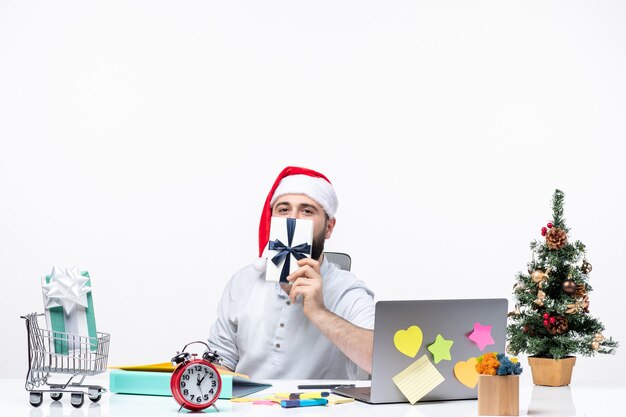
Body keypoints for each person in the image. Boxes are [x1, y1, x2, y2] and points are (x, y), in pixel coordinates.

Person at [207, 166, 375, 379]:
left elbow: (380, 364)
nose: (292, 219)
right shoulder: (243, 282)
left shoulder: (348, 290)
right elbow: (220, 362)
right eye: (284, 210)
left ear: (329, 227)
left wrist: (319, 312)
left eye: (307, 211)